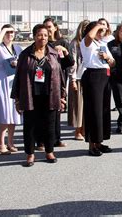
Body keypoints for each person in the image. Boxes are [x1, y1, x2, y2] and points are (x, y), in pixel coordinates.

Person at [11, 24, 67, 166]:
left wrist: (62, 96)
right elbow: (18, 77)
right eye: (40, 35)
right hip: (30, 94)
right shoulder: (25, 54)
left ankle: (49, 151)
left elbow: (60, 76)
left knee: (50, 124)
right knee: (30, 126)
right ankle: (30, 154)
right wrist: (17, 99)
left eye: (46, 35)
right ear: (34, 36)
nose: (43, 38)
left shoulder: (53, 54)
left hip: (50, 94)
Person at [81, 21, 116, 156]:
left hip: (105, 76)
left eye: (102, 32)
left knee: (104, 111)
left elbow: (113, 63)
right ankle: (92, 144)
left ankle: (99, 141)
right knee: (93, 111)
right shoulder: (86, 43)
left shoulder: (102, 45)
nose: (101, 33)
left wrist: (108, 58)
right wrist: (98, 25)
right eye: (99, 31)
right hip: (93, 76)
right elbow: (89, 37)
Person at [0, 24, 23, 155]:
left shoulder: (18, 48)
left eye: (12, 32)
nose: (10, 35)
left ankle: (11, 142)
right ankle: (0, 143)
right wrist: (3, 30)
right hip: (2, 79)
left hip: (14, 81)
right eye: (7, 32)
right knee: (4, 113)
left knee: (14, 113)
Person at [43, 17, 74, 148]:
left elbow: (70, 62)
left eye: (50, 27)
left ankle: (57, 138)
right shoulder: (42, 44)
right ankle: (42, 140)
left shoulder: (62, 43)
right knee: (44, 111)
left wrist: (65, 52)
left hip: (59, 80)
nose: (48, 30)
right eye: (45, 27)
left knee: (58, 110)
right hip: (44, 80)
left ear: (55, 28)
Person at [68, 20, 90, 141]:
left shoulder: (90, 42)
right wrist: (72, 79)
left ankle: (85, 129)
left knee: (87, 105)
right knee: (78, 105)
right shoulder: (75, 43)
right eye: (85, 27)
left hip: (89, 76)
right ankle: (77, 130)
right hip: (78, 77)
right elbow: (73, 63)